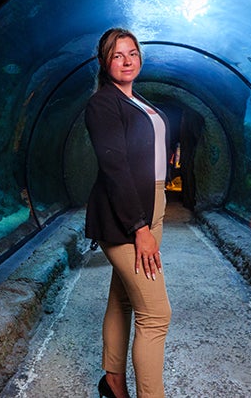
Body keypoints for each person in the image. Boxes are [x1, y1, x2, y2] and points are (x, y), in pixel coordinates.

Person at [84, 28, 171, 398]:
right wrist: (139, 227)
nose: (127, 60)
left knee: (122, 298)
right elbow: (114, 167)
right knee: (156, 315)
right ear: (105, 63)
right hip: (127, 214)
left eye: (132, 53)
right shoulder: (102, 104)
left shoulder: (139, 100)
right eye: (118, 55)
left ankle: (113, 383)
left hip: (154, 203)